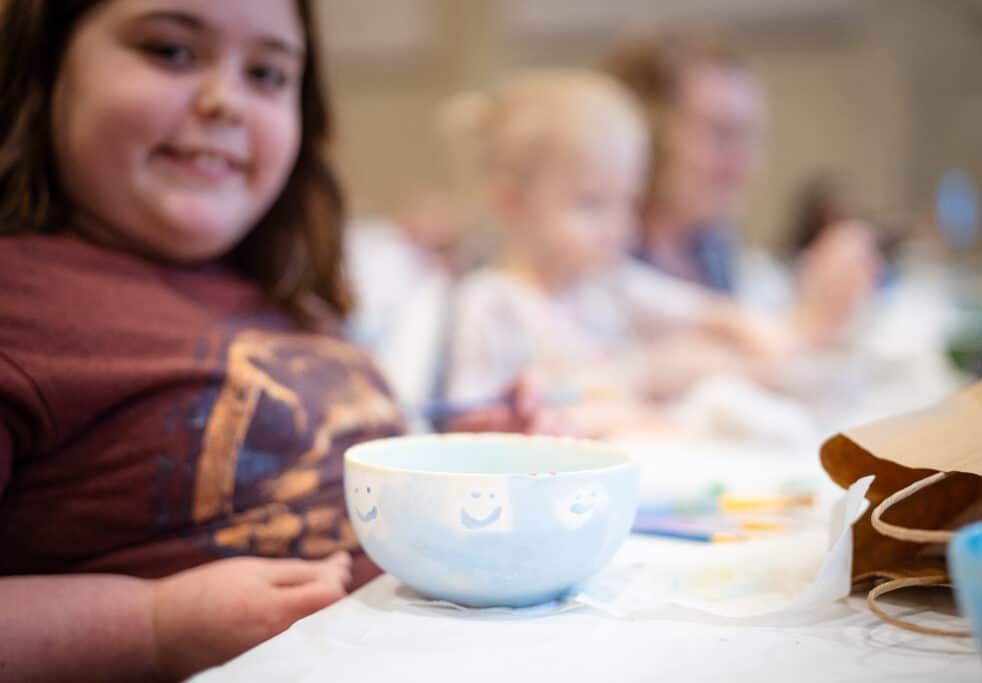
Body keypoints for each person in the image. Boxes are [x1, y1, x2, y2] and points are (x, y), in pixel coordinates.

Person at [0, 1, 545, 680]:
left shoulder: (284, 296)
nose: (224, 100)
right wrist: (151, 624)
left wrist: (450, 451)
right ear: (46, 62)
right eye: (170, 51)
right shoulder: (19, 302)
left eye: (266, 73)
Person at [443, 69, 792, 438]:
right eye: (592, 203)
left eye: (626, 201)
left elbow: (699, 311)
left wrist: (754, 331)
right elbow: (467, 417)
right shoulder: (491, 303)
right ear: (511, 202)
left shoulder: (609, 283)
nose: (618, 225)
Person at [604, 31, 879, 342]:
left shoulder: (713, 248)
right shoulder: (596, 262)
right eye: (722, 134)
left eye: (750, 138)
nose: (746, 166)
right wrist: (808, 322)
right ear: (645, 136)